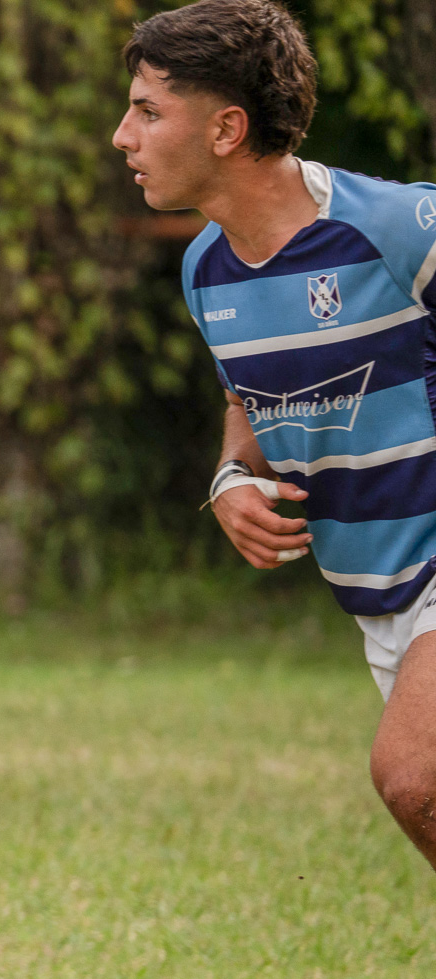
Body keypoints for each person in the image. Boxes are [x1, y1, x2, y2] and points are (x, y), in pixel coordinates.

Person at [115, 0, 436, 871]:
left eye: (147, 112)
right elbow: (251, 403)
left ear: (226, 129)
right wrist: (230, 480)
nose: (122, 136)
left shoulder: (400, 230)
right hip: (379, 595)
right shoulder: (206, 269)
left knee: (412, 776)